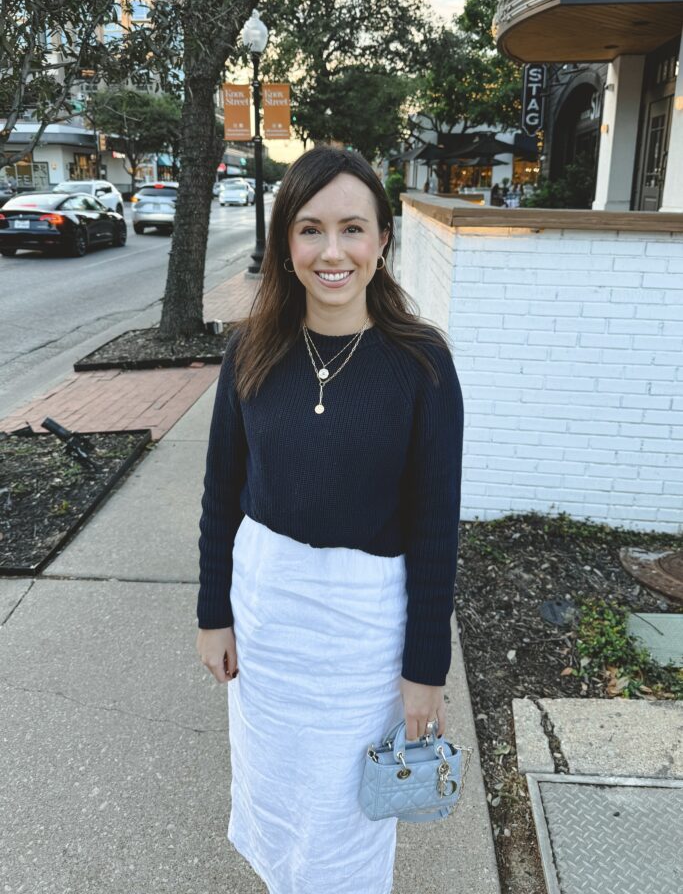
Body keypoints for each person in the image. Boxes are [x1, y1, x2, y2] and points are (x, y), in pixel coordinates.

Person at [195, 145, 464, 894]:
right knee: (276, 791)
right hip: (267, 615)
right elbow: (222, 493)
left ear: (383, 239)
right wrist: (212, 612)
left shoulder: (422, 365)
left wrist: (424, 670)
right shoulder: (250, 350)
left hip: (362, 632)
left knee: (346, 814)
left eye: (353, 228)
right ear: (287, 242)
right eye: (310, 229)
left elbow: (435, 530)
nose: (332, 251)